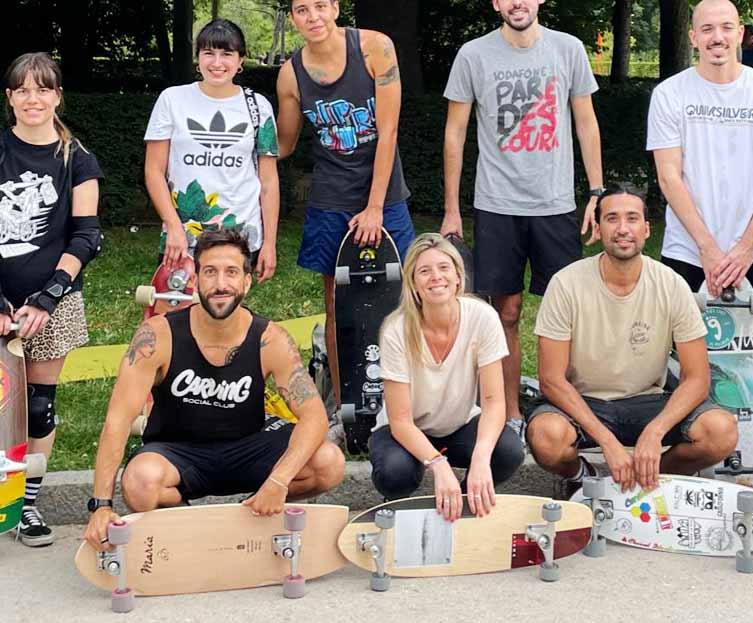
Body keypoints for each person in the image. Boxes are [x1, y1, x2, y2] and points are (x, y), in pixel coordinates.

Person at [83, 228, 345, 550]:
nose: (221, 283)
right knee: (139, 483)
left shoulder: (270, 339)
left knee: (329, 462)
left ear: (247, 281)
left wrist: (279, 481)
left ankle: (249, 513)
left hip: (250, 446)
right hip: (179, 451)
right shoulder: (157, 336)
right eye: (210, 272)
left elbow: (315, 418)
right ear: (196, 279)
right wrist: (101, 505)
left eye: (232, 272)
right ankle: (194, 531)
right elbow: (118, 421)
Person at [647, 0, 753, 514]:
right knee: (678, 362)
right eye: (707, 29)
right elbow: (669, 176)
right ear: (693, 36)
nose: (717, 37)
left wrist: (741, 248)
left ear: (742, 33)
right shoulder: (670, 94)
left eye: (727, 27)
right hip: (688, 250)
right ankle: (685, 459)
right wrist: (711, 250)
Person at [441, 0, 604, 441]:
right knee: (504, 312)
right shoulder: (474, 55)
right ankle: (509, 413)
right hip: (497, 204)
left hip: (556, 204)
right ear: (496, 3)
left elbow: (586, 122)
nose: (516, 1)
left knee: (566, 315)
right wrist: (452, 206)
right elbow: (455, 134)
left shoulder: (568, 49)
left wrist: (595, 192)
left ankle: (565, 413)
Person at [527, 186, 736, 492]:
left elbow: (697, 378)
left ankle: (648, 477)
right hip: (584, 401)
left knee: (721, 432)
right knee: (547, 437)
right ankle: (582, 477)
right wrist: (607, 442)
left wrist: (655, 431)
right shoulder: (566, 283)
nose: (623, 229)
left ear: (647, 229)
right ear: (598, 228)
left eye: (632, 218)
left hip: (648, 400)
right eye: (612, 218)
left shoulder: (671, 284)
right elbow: (551, 380)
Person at [275, 0, 414, 410]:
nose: (312, 16)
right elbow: (284, 143)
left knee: (404, 295)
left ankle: (406, 398)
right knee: (337, 305)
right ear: (294, 19)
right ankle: (345, 403)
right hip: (331, 195)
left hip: (384, 195)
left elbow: (388, 131)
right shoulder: (290, 74)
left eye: (319, 6)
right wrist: (237, 144)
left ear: (335, 9)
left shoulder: (375, 47)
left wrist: (374, 207)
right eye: (301, 10)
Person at [0, 53, 102, 546]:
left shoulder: (77, 158)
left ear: (58, 96)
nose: (33, 99)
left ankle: (27, 507)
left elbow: (86, 236)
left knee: (38, 407)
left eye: (43, 90)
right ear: (10, 99)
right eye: (23, 90)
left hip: (53, 300)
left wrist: (47, 298)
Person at [369, 233, 524, 521]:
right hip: (405, 430)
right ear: (413, 283)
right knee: (395, 472)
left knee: (508, 450)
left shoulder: (483, 316)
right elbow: (400, 421)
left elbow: (494, 403)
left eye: (444, 268)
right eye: (424, 271)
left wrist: (479, 460)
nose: (435, 277)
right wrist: (439, 466)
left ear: (457, 276)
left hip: (459, 423)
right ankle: (399, 510)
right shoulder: (396, 329)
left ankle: (464, 502)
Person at [144, 18, 280, 281]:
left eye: (227, 54)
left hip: (240, 236)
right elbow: (154, 170)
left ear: (240, 60)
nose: (217, 63)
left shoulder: (258, 106)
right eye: (209, 53)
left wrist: (270, 244)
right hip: (182, 237)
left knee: (227, 314)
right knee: (176, 314)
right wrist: (173, 226)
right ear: (198, 58)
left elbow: (269, 181)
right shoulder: (172, 100)